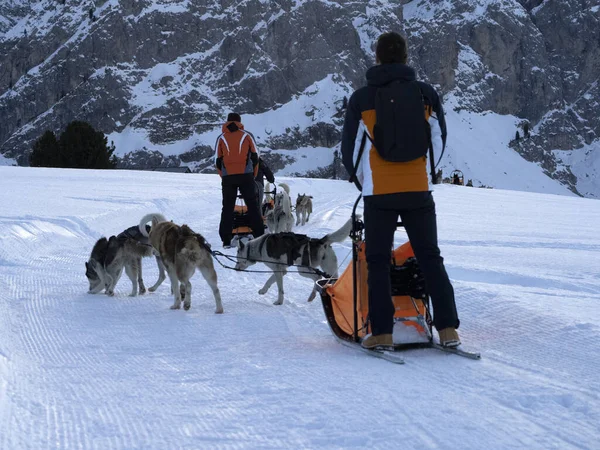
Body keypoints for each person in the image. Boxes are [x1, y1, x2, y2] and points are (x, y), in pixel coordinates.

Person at [341, 32, 460, 349]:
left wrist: (363, 182)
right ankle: (448, 329)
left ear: (377, 58)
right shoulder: (425, 94)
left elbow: (350, 152)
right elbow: (439, 140)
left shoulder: (362, 98)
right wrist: (426, 174)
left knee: (378, 261)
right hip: (417, 190)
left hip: (378, 194)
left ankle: (382, 333)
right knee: (430, 257)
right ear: (406, 59)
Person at [215, 113, 264, 247]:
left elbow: (217, 161)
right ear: (239, 122)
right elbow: (255, 157)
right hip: (246, 176)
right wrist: (252, 175)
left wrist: (224, 175)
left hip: (228, 178)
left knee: (227, 208)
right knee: (252, 206)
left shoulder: (221, 138)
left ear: (228, 121)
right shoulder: (246, 135)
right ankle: (259, 236)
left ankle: (226, 239)